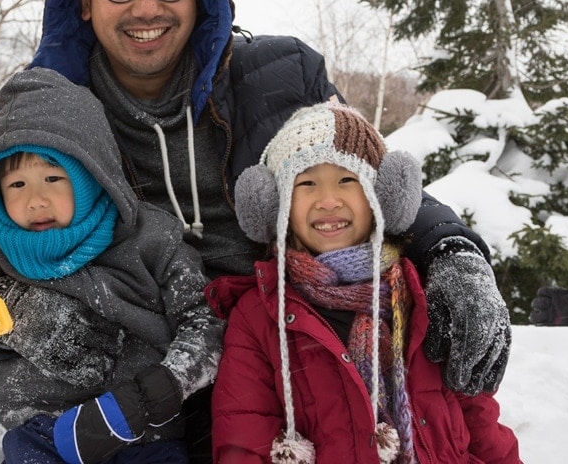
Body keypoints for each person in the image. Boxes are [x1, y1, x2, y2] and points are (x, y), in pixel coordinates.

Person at [0, 0, 511, 461]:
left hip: (287, 366)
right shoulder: (54, 116)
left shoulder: (279, 77)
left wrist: (454, 251)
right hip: (135, 397)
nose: (146, 5)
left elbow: (367, 175)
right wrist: (18, 313)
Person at [0, 68, 223, 464]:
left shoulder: (152, 241)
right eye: (17, 185)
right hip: (42, 432)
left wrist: (150, 396)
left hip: (142, 430)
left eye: (52, 177)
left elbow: (206, 327)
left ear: (93, 175)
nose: (35, 200)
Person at [206, 102, 521, 463]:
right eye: (306, 182)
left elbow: (481, 425)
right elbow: (243, 443)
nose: (328, 201)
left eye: (347, 179)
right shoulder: (258, 318)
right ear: (276, 205)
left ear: (383, 197)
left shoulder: (422, 296)